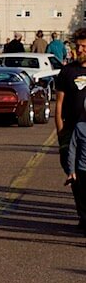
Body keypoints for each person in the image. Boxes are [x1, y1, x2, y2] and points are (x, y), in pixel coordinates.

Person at [54, 28, 86, 179]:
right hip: (71, 129)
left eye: (84, 47)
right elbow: (59, 104)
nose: (79, 50)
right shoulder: (67, 71)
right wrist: (61, 133)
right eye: (77, 46)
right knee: (73, 174)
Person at [63, 113, 86, 235]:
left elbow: (72, 149)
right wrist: (71, 171)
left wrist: (71, 170)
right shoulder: (79, 127)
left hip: (81, 169)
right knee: (82, 198)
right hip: (82, 170)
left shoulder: (79, 127)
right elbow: (72, 149)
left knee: (83, 198)